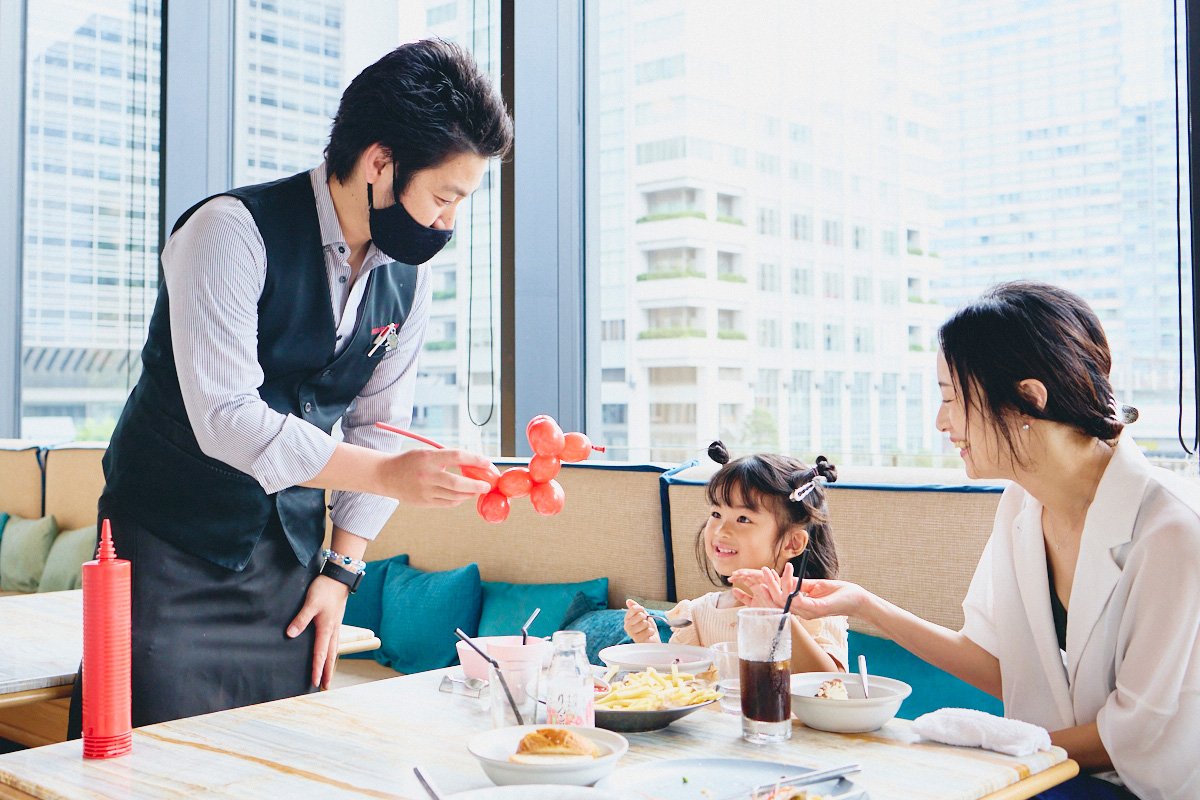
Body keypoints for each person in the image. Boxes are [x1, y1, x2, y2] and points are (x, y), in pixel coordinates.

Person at [67, 39, 513, 734]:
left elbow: (379, 422)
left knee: (276, 761)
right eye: (443, 197)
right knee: (139, 763)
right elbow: (228, 416)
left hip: (290, 567)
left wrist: (341, 572)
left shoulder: (408, 277)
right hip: (167, 550)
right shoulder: (229, 231)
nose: (447, 223)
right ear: (379, 163)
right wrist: (393, 477)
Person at [779, 282, 1200, 800]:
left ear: (1029, 398)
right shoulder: (1022, 505)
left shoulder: (1175, 532)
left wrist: (983, 758)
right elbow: (1004, 670)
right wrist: (868, 606)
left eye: (953, 399)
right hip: (1056, 775)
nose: (941, 422)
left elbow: (1131, 736)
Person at [624, 443, 849, 673]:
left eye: (743, 518)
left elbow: (831, 687)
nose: (721, 530)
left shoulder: (817, 609)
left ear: (792, 543)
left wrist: (781, 620)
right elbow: (684, 690)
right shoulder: (698, 615)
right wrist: (650, 646)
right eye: (716, 514)